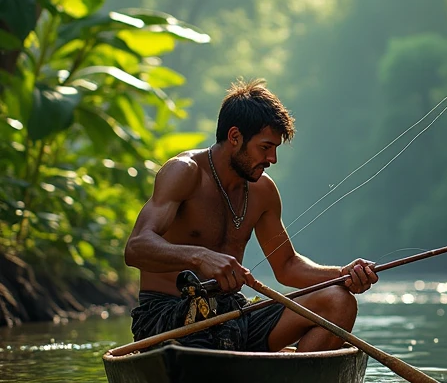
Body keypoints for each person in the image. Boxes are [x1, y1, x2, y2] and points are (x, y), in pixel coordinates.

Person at [124, 78, 378, 351]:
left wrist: (343, 274)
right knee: (197, 325)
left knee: (338, 300)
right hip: (169, 317)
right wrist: (199, 256)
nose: (272, 159)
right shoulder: (184, 172)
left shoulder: (263, 191)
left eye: (275, 149)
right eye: (265, 147)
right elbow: (135, 248)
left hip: (231, 316)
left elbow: (288, 266)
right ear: (235, 137)